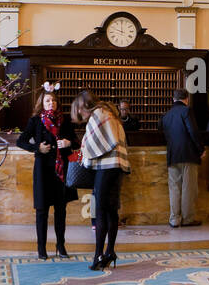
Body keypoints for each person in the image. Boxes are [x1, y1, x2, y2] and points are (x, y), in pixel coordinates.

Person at [17, 87, 78, 259]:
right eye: (47, 101)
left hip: (61, 171)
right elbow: (21, 141)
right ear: (42, 104)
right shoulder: (35, 121)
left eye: (53, 100)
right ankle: (41, 248)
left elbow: (76, 142)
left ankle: (61, 246)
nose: (51, 103)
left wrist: (68, 143)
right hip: (43, 170)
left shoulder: (64, 121)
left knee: (61, 210)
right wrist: (37, 148)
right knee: (42, 210)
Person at [73, 89, 130, 270]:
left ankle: (98, 255)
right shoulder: (111, 113)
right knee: (111, 209)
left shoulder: (98, 114)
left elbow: (90, 144)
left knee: (99, 210)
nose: (80, 114)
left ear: (84, 105)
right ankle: (109, 252)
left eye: (79, 110)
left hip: (106, 167)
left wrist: (83, 157)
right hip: (118, 166)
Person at [160, 88, 203, 228]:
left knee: (174, 188)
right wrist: (200, 149)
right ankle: (187, 219)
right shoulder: (186, 111)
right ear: (187, 99)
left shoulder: (166, 115)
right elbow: (193, 131)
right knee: (188, 188)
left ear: (173, 99)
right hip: (188, 154)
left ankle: (174, 219)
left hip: (172, 155)